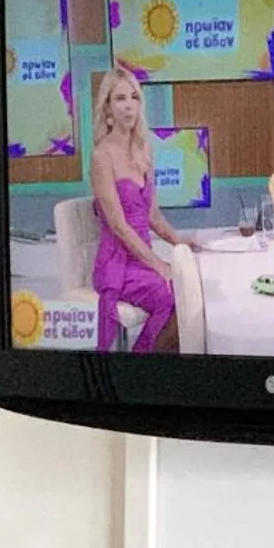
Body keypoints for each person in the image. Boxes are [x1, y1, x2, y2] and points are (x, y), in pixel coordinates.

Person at [89, 64, 183, 353]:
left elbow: (152, 216)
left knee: (189, 291)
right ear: (107, 108)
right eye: (120, 99)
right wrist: (159, 265)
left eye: (134, 97)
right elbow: (118, 225)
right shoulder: (101, 156)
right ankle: (139, 366)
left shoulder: (143, 150)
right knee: (169, 294)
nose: (129, 106)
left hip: (142, 257)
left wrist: (183, 245)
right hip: (117, 262)